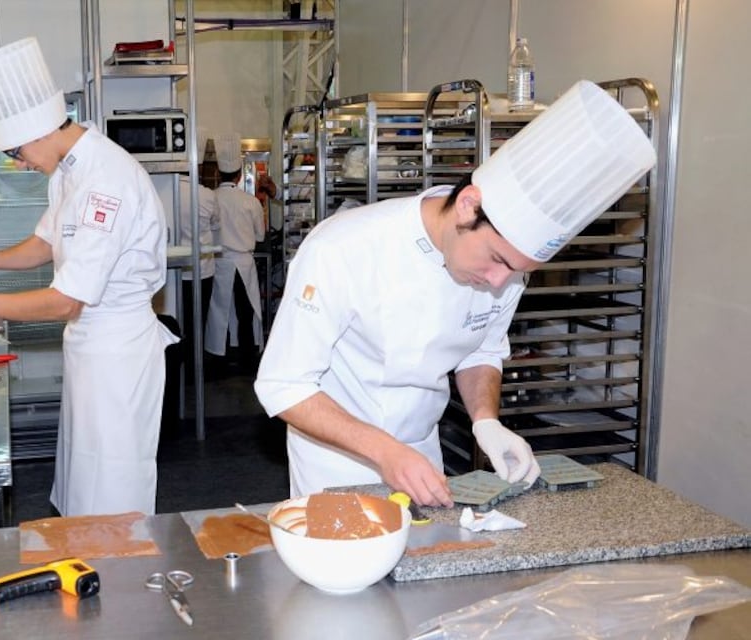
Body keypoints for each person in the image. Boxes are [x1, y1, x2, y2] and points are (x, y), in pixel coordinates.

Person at [255, 80, 656, 507]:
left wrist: (486, 421)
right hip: (335, 462)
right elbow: (284, 386)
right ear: (467, 206)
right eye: (498, 260)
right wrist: (385, 452)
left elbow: (481, 350)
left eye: (518, 271)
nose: (500, 283)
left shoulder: (506, 272)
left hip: (421, 456)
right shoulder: (341, 249)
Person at [0, 37, 177, 516]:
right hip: (89, 346)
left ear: (36, 132)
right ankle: (87, 557)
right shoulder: (67, 172)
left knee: (113, 481)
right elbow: (45, 245)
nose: (20, 165)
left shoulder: (105, 180)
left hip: (117, 349)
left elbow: (65, 301)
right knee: (83, 472)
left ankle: (122, 578)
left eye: (17, 154)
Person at [205, 132, 266, 369]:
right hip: (243, 262)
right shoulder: (250, 201)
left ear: (219, 173)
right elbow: (260, 235)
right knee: (245, 310)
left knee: (220, 311)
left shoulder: (211, 198)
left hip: (219, 261)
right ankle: (248, 360)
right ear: (240, 175)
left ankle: (218, 359)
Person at [178, 129, 219, 372]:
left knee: (177, 320)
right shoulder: (206, 195)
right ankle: (195, 367)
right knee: (198, 320)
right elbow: (215, 225)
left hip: (175, 272)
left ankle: (179, 366)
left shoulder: (163, 191)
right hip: (202, 269)